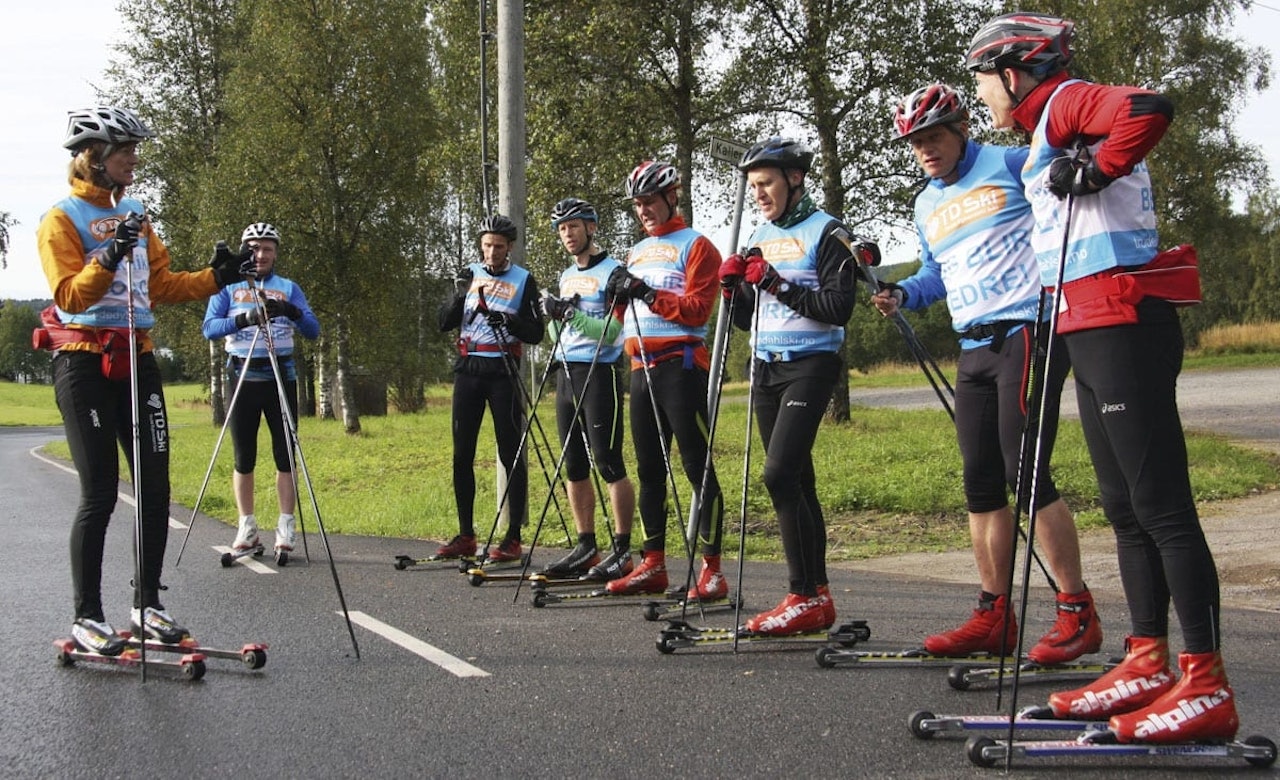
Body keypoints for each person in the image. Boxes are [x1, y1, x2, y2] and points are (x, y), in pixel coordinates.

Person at [965, 12, 1237, 743]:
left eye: (983, 78)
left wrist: (1094, 168)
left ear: (1012, 73)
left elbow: (1149, 108)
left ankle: (1205, 681)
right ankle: (1147, 659)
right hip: (1083, 321)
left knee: (1162, 507)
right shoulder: (1043, 126)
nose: (983, 92)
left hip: (1122, 316)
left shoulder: (1065, 101)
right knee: (1122, 506)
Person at [872, 84, 1101, 664]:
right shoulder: (926, 205)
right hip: (972, 348)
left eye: (935, 137)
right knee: (980, 484)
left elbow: (1066, 209)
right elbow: (935, 274)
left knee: (1025, 473)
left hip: (1026, 332)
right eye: (916, 142)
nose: (926, 149)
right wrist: (902, 292)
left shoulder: (1013, 162)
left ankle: (1077, 611)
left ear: (962, 127)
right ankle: (994, 616)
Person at [36, 106, 244, 655]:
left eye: (133, 149)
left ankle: (147, 603)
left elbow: (163, 286)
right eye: (125, 149)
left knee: (155, 486)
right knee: (101, 491)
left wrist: (216, 278)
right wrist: (108, 252)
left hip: (139, 359)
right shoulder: (61, 218)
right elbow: (70, 296)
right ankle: (88, 614)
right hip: (85, 362)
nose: (135, 158)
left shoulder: (136, 212)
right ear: (94, 156)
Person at [718, 137, 866, 635]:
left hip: (812, 364)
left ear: (794, 178)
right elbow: (744, 318)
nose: (758, 193)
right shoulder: (758, 233)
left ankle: (801, 593)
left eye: (766, 183)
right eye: (752, 185)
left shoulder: (827, 231)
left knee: (778, 475)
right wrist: (733, 286)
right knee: (799, 482)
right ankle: (816, 598)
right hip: (766, 368)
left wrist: (776, 282)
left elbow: (837, 309)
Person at [602, 160, 725, 599]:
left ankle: (712, 571)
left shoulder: (698, 245)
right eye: (637, 205)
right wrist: (617, 296)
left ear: (671, 197)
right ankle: (653, 564)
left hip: (682, 366)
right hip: (640, 370)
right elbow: (624, 319)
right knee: (650, 470)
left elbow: (697, 310)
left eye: (650, 201)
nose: (643, 211)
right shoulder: (636, 251)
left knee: (697, 467)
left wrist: (650, 294)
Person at [202, 222, 320, 561]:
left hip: (280, 376)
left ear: (276, 253)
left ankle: (286, 525)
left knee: (285, 455)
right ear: (245, 250)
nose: (261, 254)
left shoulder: (288, 287)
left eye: (268, 248)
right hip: (241, 376)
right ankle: (247, 527)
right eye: (254, 248)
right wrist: (244, 320)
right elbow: (209, 328)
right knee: (244, 456)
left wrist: (291, 310)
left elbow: (312, 330)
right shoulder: (229, 287)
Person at [537, 198, 637, 578]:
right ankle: (586, 545)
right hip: (566, 372)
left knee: (609, 462)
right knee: (574, 465)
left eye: (574, 226)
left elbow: (613, 332)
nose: (567, 234)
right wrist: (551, 316)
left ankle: (622, 548)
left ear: (591, 228)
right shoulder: (566, 276)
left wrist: (570, 314)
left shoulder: (613, 273)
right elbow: (557, 333)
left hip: (600, 374)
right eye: (562, 228)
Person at [437, 214, 545, 563]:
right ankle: (466, 534)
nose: (492, 252)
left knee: (511, 452)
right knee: (461, 454)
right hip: (469, 369)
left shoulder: (523, 280)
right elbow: (444, 322)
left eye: (498, 246)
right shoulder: (470, 274)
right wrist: (461, 292)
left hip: (503, 371)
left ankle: (513, 537)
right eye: (486, 245)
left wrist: (510, 320)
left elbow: (536, 332)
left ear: (509, 246)